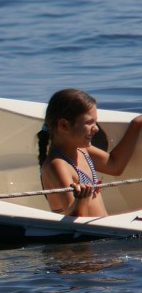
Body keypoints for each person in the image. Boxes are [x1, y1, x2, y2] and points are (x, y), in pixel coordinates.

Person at [37, 89, 142, 217]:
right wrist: (82, 199)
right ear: (64, 125)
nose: (96, 128)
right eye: (88, 122)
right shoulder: (57, 166)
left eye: (95, 121)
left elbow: (114, 166)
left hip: (102, 228)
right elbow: (73, 222)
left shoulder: (81, 150)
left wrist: (136, 125)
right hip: (90, 235)